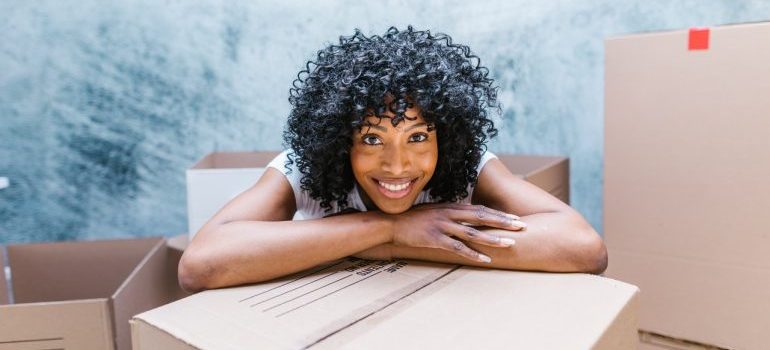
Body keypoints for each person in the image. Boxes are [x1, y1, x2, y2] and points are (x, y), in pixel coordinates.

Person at [179, 26, 607, 292]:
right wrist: (394, 228)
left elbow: (582, 247)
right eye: (371, 138)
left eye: (418, 135)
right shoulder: (304, 168)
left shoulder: (467, 166)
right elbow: (200, 266)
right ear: (338, 142)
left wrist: (384, 245)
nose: (398, 165)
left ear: (448, 134)